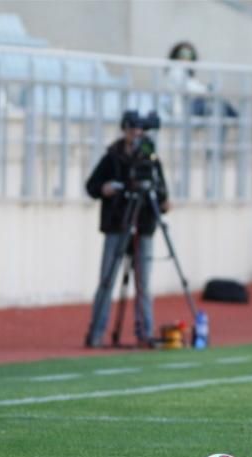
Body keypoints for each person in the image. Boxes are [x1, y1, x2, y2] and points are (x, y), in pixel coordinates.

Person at [84, 111, 170, 349]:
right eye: (132, 129)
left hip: (143, 225)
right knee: (107, 280)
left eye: (140, 130)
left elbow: (163, 195)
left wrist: (161, 201)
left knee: (143, 283)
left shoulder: (150, 159)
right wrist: (105, 188)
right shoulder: (112, 157)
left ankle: (145, 332)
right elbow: (91, 186)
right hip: (116, 223)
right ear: (124, 130)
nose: (136, 134)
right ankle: (96, 332)